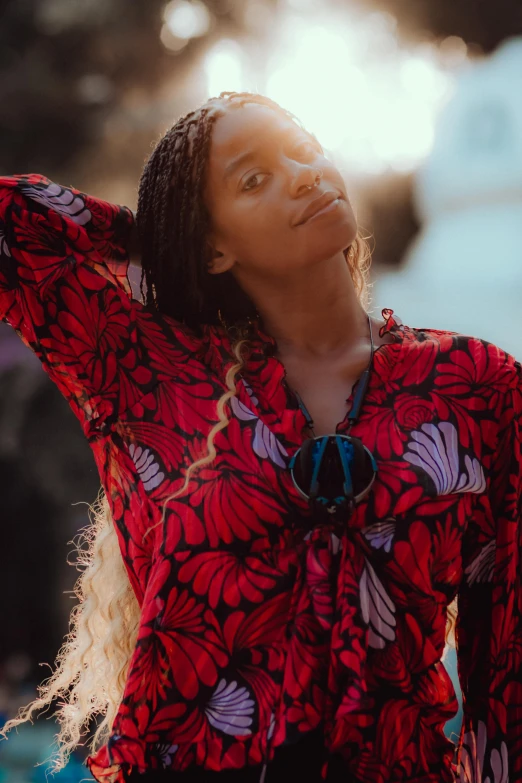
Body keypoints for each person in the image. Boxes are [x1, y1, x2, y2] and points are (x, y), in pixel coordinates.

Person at [0, 90, 520, 783]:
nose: (304, 173)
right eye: (255, 177)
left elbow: (508, 660)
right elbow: (16, 225)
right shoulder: (152, 371)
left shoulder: (474, 383)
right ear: (213, 244)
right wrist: (161, 243)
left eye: (305, 149)